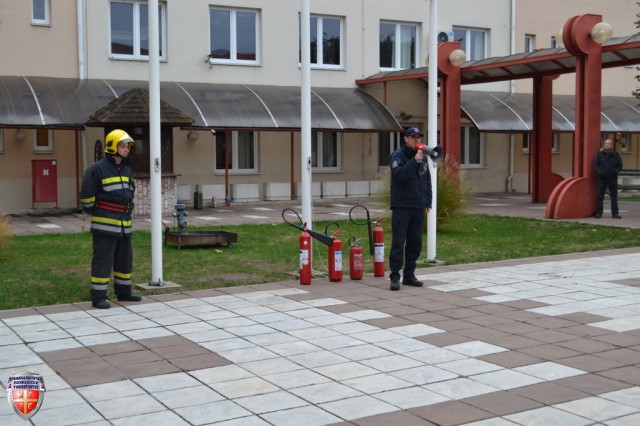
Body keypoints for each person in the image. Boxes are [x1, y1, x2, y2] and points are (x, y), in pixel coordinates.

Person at [80, 129, 142, 309]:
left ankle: (124, 292)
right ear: (112, 146)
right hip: (105, 225)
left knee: (124, 259)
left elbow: (130, 193)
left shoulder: (127, 169)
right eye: (122, 146)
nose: (126, 149)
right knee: (103, 261)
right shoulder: (97, 169)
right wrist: (99, 211)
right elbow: (87, 197)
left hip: (124, 224)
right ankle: (98, 297)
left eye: (128, 146)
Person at [388, 127, 433, 291]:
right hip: (402, 206)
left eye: (419, 137)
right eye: (414, 137)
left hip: (418, 206)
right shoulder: (397, 156)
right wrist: (414, 160)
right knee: (399, 243)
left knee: (415, 243)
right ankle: (395, 277)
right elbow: (400, 175)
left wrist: (428, 201)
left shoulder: (422, 157)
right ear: (406, 139)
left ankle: (409, 275)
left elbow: (426, 180)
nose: (417, 140)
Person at [593, 136, 623, 219]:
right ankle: (599, 213)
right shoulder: (599, 155)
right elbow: (595, 165)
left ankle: (615, 214)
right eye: (605, 143)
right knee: (600, 196)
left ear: (611, 145)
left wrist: (615, 171)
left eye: (609, 144)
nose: (607, 145)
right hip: (602, 178)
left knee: (614, 197)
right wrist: (599, 172)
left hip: (613, 178)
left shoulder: (616, 155)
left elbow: (620, 166)